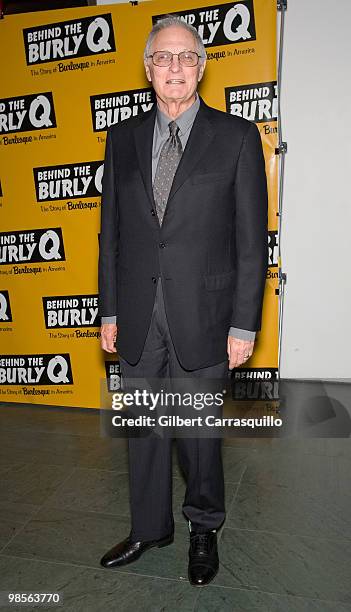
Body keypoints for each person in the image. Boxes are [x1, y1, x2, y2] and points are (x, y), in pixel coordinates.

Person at [98, 15, 268, 587]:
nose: (175, 67)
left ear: (202, 66)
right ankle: (150, 527)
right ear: (148, 68)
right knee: (143, 429)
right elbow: (113, 231)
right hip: (139, 315)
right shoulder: (120, 138)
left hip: (207, 315)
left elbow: (251, 241)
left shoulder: (238, 137)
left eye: (186, 56)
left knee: (198, 434)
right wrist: (110, 311)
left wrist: (245, 323)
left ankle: (202, 527)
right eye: (164, 57)